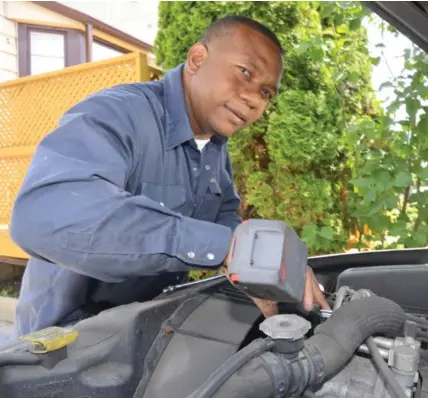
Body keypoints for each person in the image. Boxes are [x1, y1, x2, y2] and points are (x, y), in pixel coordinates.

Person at [10, 15, 329, 336]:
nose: (254, 99)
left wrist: (263, 261)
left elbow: (224, 220)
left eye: (265, 93)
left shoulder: (215, 150)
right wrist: (225, 246)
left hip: (137, 332)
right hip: (58, 346)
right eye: (245, 72)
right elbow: (42, 216)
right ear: (197, 59)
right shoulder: (118, 114)